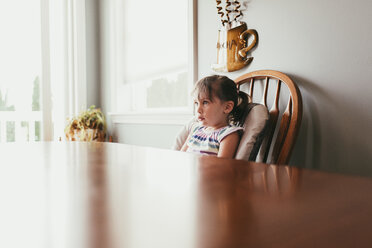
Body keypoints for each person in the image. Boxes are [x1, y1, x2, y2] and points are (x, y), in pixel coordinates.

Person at [181, 75, 250, 158]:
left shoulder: (227, 135)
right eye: (196, 103)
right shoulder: (196, 129)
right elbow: (181, 156)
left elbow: (221, 166)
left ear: (227, 107)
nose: (198, 110)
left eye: (205, 102)